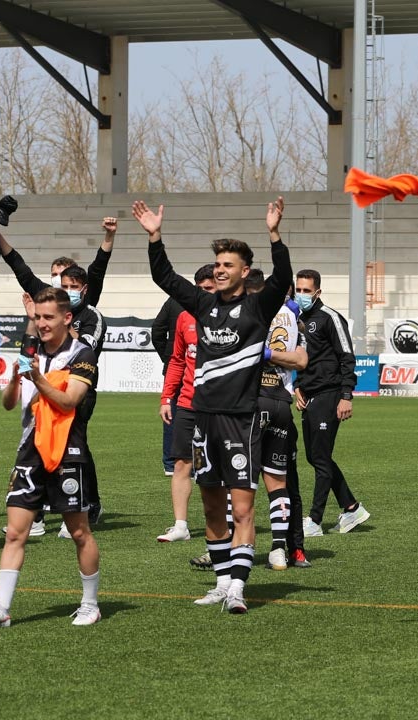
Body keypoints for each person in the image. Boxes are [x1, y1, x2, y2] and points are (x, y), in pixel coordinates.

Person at [134, 197, 293, 613]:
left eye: (227, 265)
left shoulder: (258, 306)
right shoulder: (203, 305)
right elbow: (165, 277)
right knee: (210, 508)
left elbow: (283, 277)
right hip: (202, 420)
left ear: (245, 271)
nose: (219, 270)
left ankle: (238, 587)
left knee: (243, 509)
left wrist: (274, 234)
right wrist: (155, 237)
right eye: (217, 264)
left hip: (240, 421)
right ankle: (222, 583)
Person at [0, 288, 101, 628]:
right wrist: (16, 378)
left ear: (66, 318)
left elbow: (69, 400)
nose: (41, 324)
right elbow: (8, 404)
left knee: (79, 532)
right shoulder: (31, 352)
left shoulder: (82, 354)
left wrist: (38, 377)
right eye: (37, 317)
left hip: (67, 450)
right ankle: (1, 608)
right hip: (30, 451)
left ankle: (90, 604)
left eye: (48, 317)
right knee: (15, 533)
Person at [0, 220, 112, 528]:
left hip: (77, 389)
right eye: (61, 282)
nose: (65, 289)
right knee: (37, 440)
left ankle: (81, 504)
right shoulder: (45, 314)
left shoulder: (90, 314)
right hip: (41, 385)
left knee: (71, 446)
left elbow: (81, 349)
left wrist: (109, 237)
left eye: (72, 285)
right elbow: (20, 269)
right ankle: (37, 511)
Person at [293, 269, 369, 536]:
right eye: (298, 290)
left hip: (330, 393)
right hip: (309, 395)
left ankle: (314, 521)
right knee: (315, 457)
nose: (301, 295)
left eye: (306, 290)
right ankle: (351, 508)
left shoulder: (330, 317)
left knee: (321, 457)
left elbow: (347, 356)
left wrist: (346, 396)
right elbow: (300, 358)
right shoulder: (296, 320)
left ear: (318, 292)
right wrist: (297, 386)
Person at [156, 264, 215, 543]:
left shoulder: (233, 317)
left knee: (217, 467)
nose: (204, 293)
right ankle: (181, 526)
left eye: (210, 288)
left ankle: (224, 522)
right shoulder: (184, 318)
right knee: (181, 463)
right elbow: (177, 361)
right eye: (200, 289)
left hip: (220, 407)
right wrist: (167, 398)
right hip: (188, 403)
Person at [257, 294, 310, 570]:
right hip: (281, 402)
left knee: (236, 481)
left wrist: (266, 354)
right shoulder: (293, 319)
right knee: (282, 482)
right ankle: (283, 548)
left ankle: (226, 546)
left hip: (252, 402)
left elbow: (301, 361)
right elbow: (301, 360)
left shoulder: (248, 310)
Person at [152, 294, 183, 476]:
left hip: (174, 366)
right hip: (199, 367)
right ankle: (200, 461)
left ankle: (171, 463)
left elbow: (157, 330)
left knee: (171, 414)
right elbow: (157, 331)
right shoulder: (214, 299)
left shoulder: (174, 301)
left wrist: (168, 357)